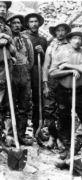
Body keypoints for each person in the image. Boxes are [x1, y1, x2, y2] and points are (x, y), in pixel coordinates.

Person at [49, 28, 82, 167]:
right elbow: (52, 72)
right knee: (64, 119)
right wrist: (70, 70)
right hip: (63, 91)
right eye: (75, 38)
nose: (77, 41)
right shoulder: (61, 51)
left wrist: (67, 65)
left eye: (80, 39)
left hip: (78, 91)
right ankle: (66, 149)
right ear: (70, 39)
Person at [7, 14, 34, 145]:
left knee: (24, 106)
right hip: (11, 73)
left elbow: (32, 60)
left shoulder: (26, 40)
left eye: (18, 23)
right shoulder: (6, 39)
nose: (17, 25)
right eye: (14, 23)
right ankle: (10, 135)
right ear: (9, 25)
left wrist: (26, 72)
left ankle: (21, 135)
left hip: (24, 74)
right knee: (10, 105)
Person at [43, 22, 71, 149]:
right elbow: (46, 66)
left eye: (62, 30)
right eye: (58, 30)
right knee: (49, 110)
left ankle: (60, 138)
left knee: (63, 111)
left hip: (64, 81)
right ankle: (52, 136)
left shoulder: (70, 46)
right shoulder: (51, 47)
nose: (60, 33)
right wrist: (45, 84)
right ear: (54, 33)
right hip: (51, 81)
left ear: (66, 32)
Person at [23, 13, 47, 137]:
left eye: (35, 21)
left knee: (38, 99)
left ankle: (38, 128)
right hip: (25, 69)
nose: (33, 24)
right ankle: (22, 131)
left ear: (39, 23)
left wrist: (42, 52)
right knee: (24, 99)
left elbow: (45, 61)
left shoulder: (43, 40)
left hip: (37, 71)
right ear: (27, 24)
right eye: (31, 21)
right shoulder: (23, 37)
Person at [0, 1, 16, 145]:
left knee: (3, 102)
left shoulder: (7, 29)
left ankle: (2, 136)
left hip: (4, 69)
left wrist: (8, 41)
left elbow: (13, 52)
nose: (2, 10)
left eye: (4, 8)